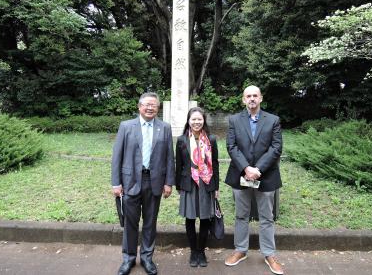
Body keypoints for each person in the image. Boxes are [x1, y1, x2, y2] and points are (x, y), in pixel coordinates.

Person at [112, 92, 175, 275]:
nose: (150, 108)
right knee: (130, 223)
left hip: (154, 181)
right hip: (130, 181)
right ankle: (129, 258)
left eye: (153, 105)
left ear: (157, 108)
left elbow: (169, 158)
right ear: (139, 107)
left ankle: (147, 257)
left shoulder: (164, 128)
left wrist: (169, 182)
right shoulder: (126, 126)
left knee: (150, 222)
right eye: (146, 105)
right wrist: (116, 183)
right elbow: (117, 156)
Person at [224, 85, 284, 275]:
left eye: (255, 95)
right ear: (243, 100)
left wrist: (258, 169)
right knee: (241, 215)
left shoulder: (273, 120)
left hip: (266, 176)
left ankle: (269, 254)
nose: (251, 99)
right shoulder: (234, 120)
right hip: (240, 174)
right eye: (248, 96)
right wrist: (246, 168)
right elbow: (231, 146)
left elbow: (276, 147)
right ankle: (241, 250)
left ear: (260, 98)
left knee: (267, 217)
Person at [175, 107, 219, 268]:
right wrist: (178, 185)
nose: (196, 122)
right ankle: (193, 251)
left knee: (206, 218)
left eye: (199, 119)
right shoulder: (181, 140)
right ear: (188, 121)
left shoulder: (211, 140)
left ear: (204, 120)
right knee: (190, 218)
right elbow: (178, 164)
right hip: (189, 183)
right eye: (193, 119)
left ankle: (201, 251)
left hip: (207, 183)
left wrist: (216, 187)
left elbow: (215, 164)